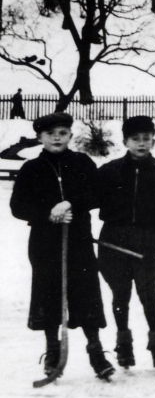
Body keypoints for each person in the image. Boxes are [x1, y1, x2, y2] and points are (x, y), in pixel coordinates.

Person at [10, 112, 114, 381]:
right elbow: (18, 207)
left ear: (70, 135)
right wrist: (49, 213)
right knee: (48, 292)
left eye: (62, 133)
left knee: (86, 292)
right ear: (40, 137)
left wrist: (70, 204)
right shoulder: (31, 168)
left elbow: (98, 193)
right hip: (45, 243)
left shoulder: (81, 162)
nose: (56, 138)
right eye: (50, 134)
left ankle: (96, 352)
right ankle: (53, 349)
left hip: (78, 240)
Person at [96, 115, 155, 370]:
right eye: (135, 139)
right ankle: (124, 343)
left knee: (148, 293)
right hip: (113, 240)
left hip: (145, 242)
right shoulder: (110, 170)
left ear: (153, 140)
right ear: (125, 141)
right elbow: (88, 196)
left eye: (146, 139)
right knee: (120, 295)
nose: (141, 144)